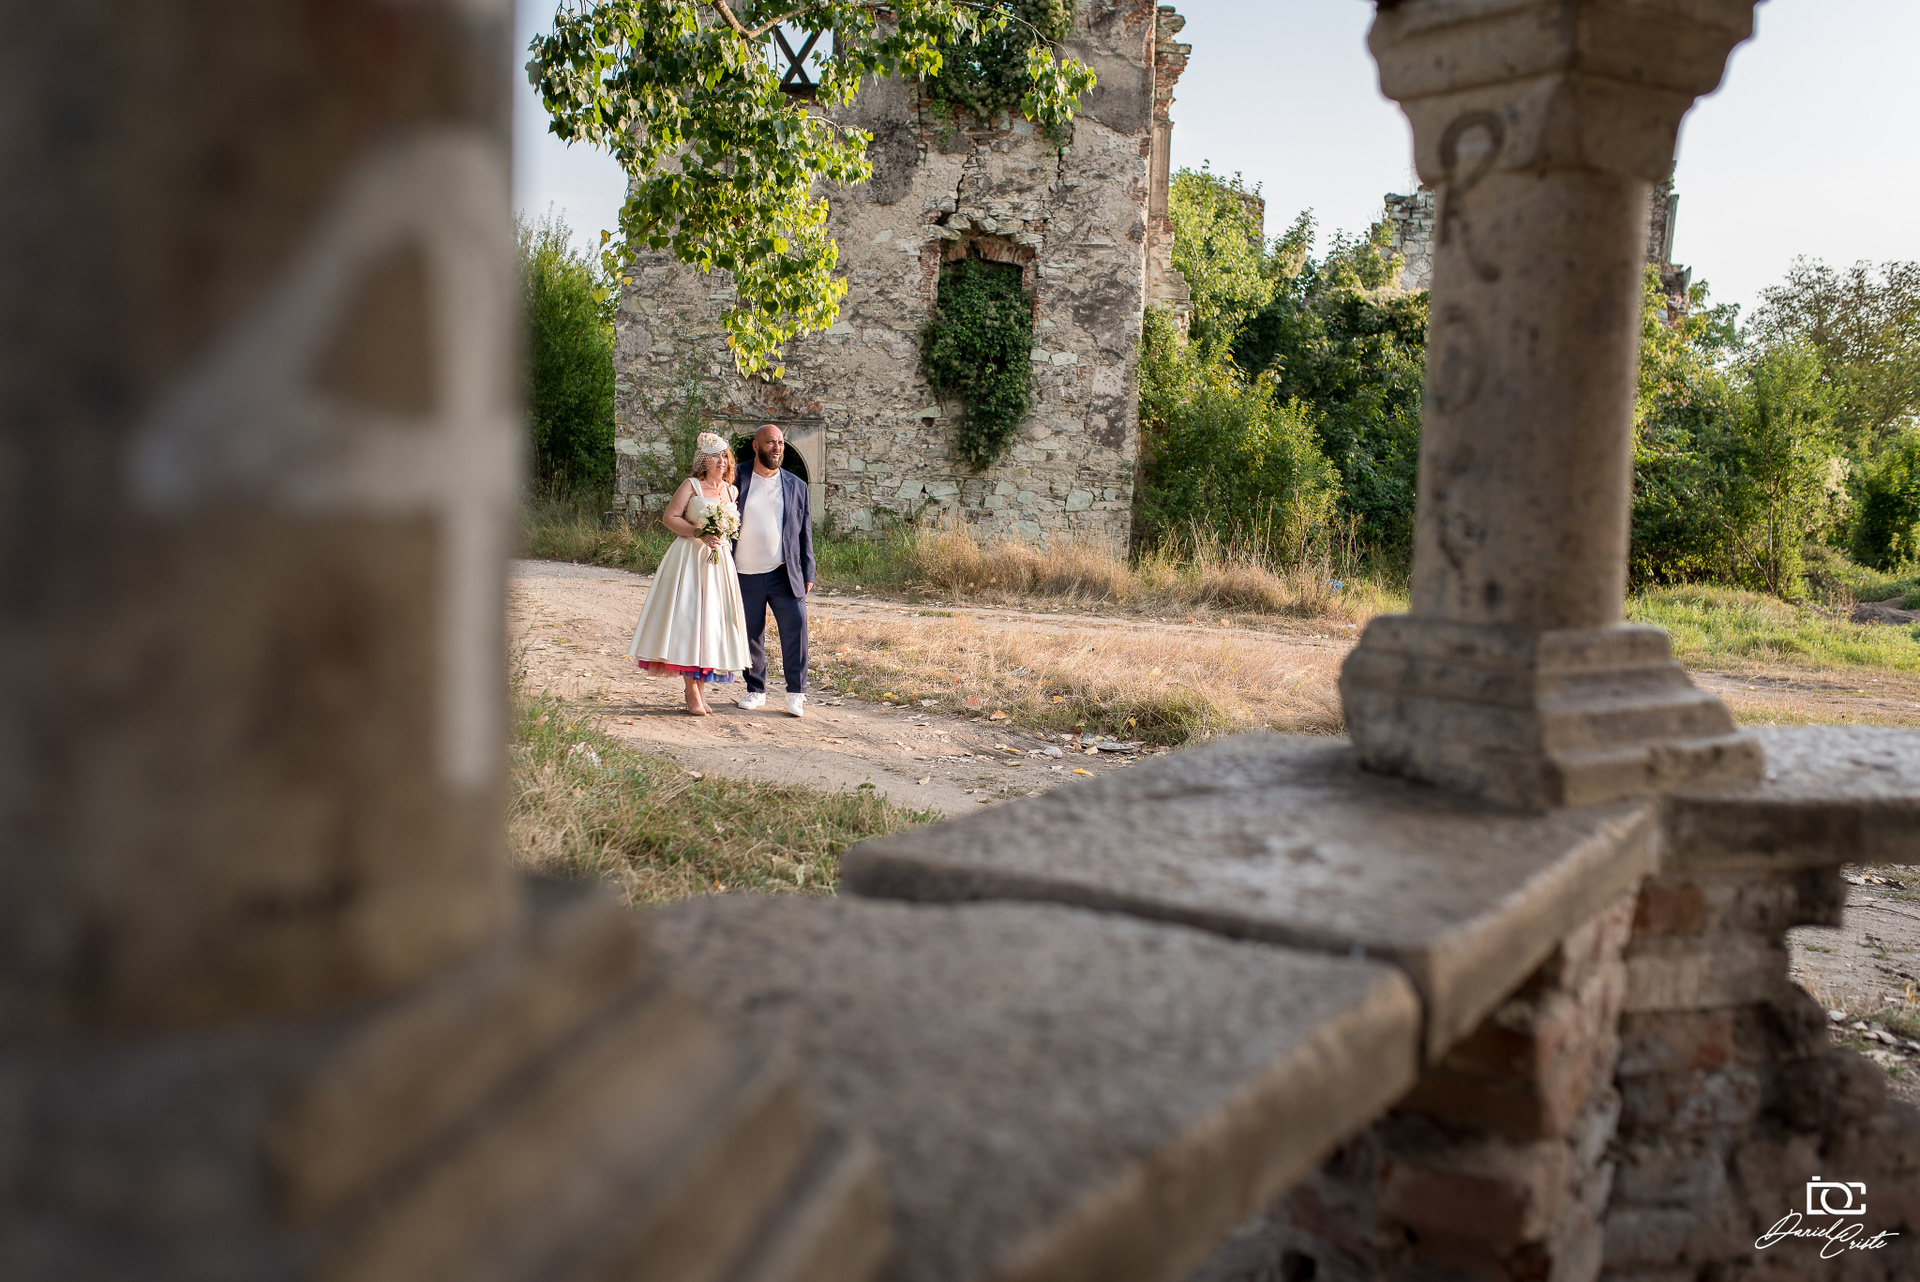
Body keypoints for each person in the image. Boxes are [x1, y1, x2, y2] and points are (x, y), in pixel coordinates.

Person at [627, 433, 749, 716]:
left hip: (719, 563)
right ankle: (690, 690)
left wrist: (723, 533)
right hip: (690, 559)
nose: (721, 461)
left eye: (725, 456)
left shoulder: (732, 491)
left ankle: (700, 688)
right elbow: (670, 517)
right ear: (704, 460)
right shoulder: (691, 486)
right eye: (715, 456)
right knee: (689, 620)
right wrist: (698, 532)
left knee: (711, 623)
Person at [733, 423, 814, 717]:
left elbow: (804, 532)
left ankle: (796, 694)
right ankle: (756, 690)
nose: (777, 447)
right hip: (743, 573)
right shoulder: (736, 477)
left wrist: (808, 571)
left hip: (783, 572)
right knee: (750, 634)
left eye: (780, 442)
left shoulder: (797, 485)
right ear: (756, 446)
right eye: (770, 442)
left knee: (796, 628)